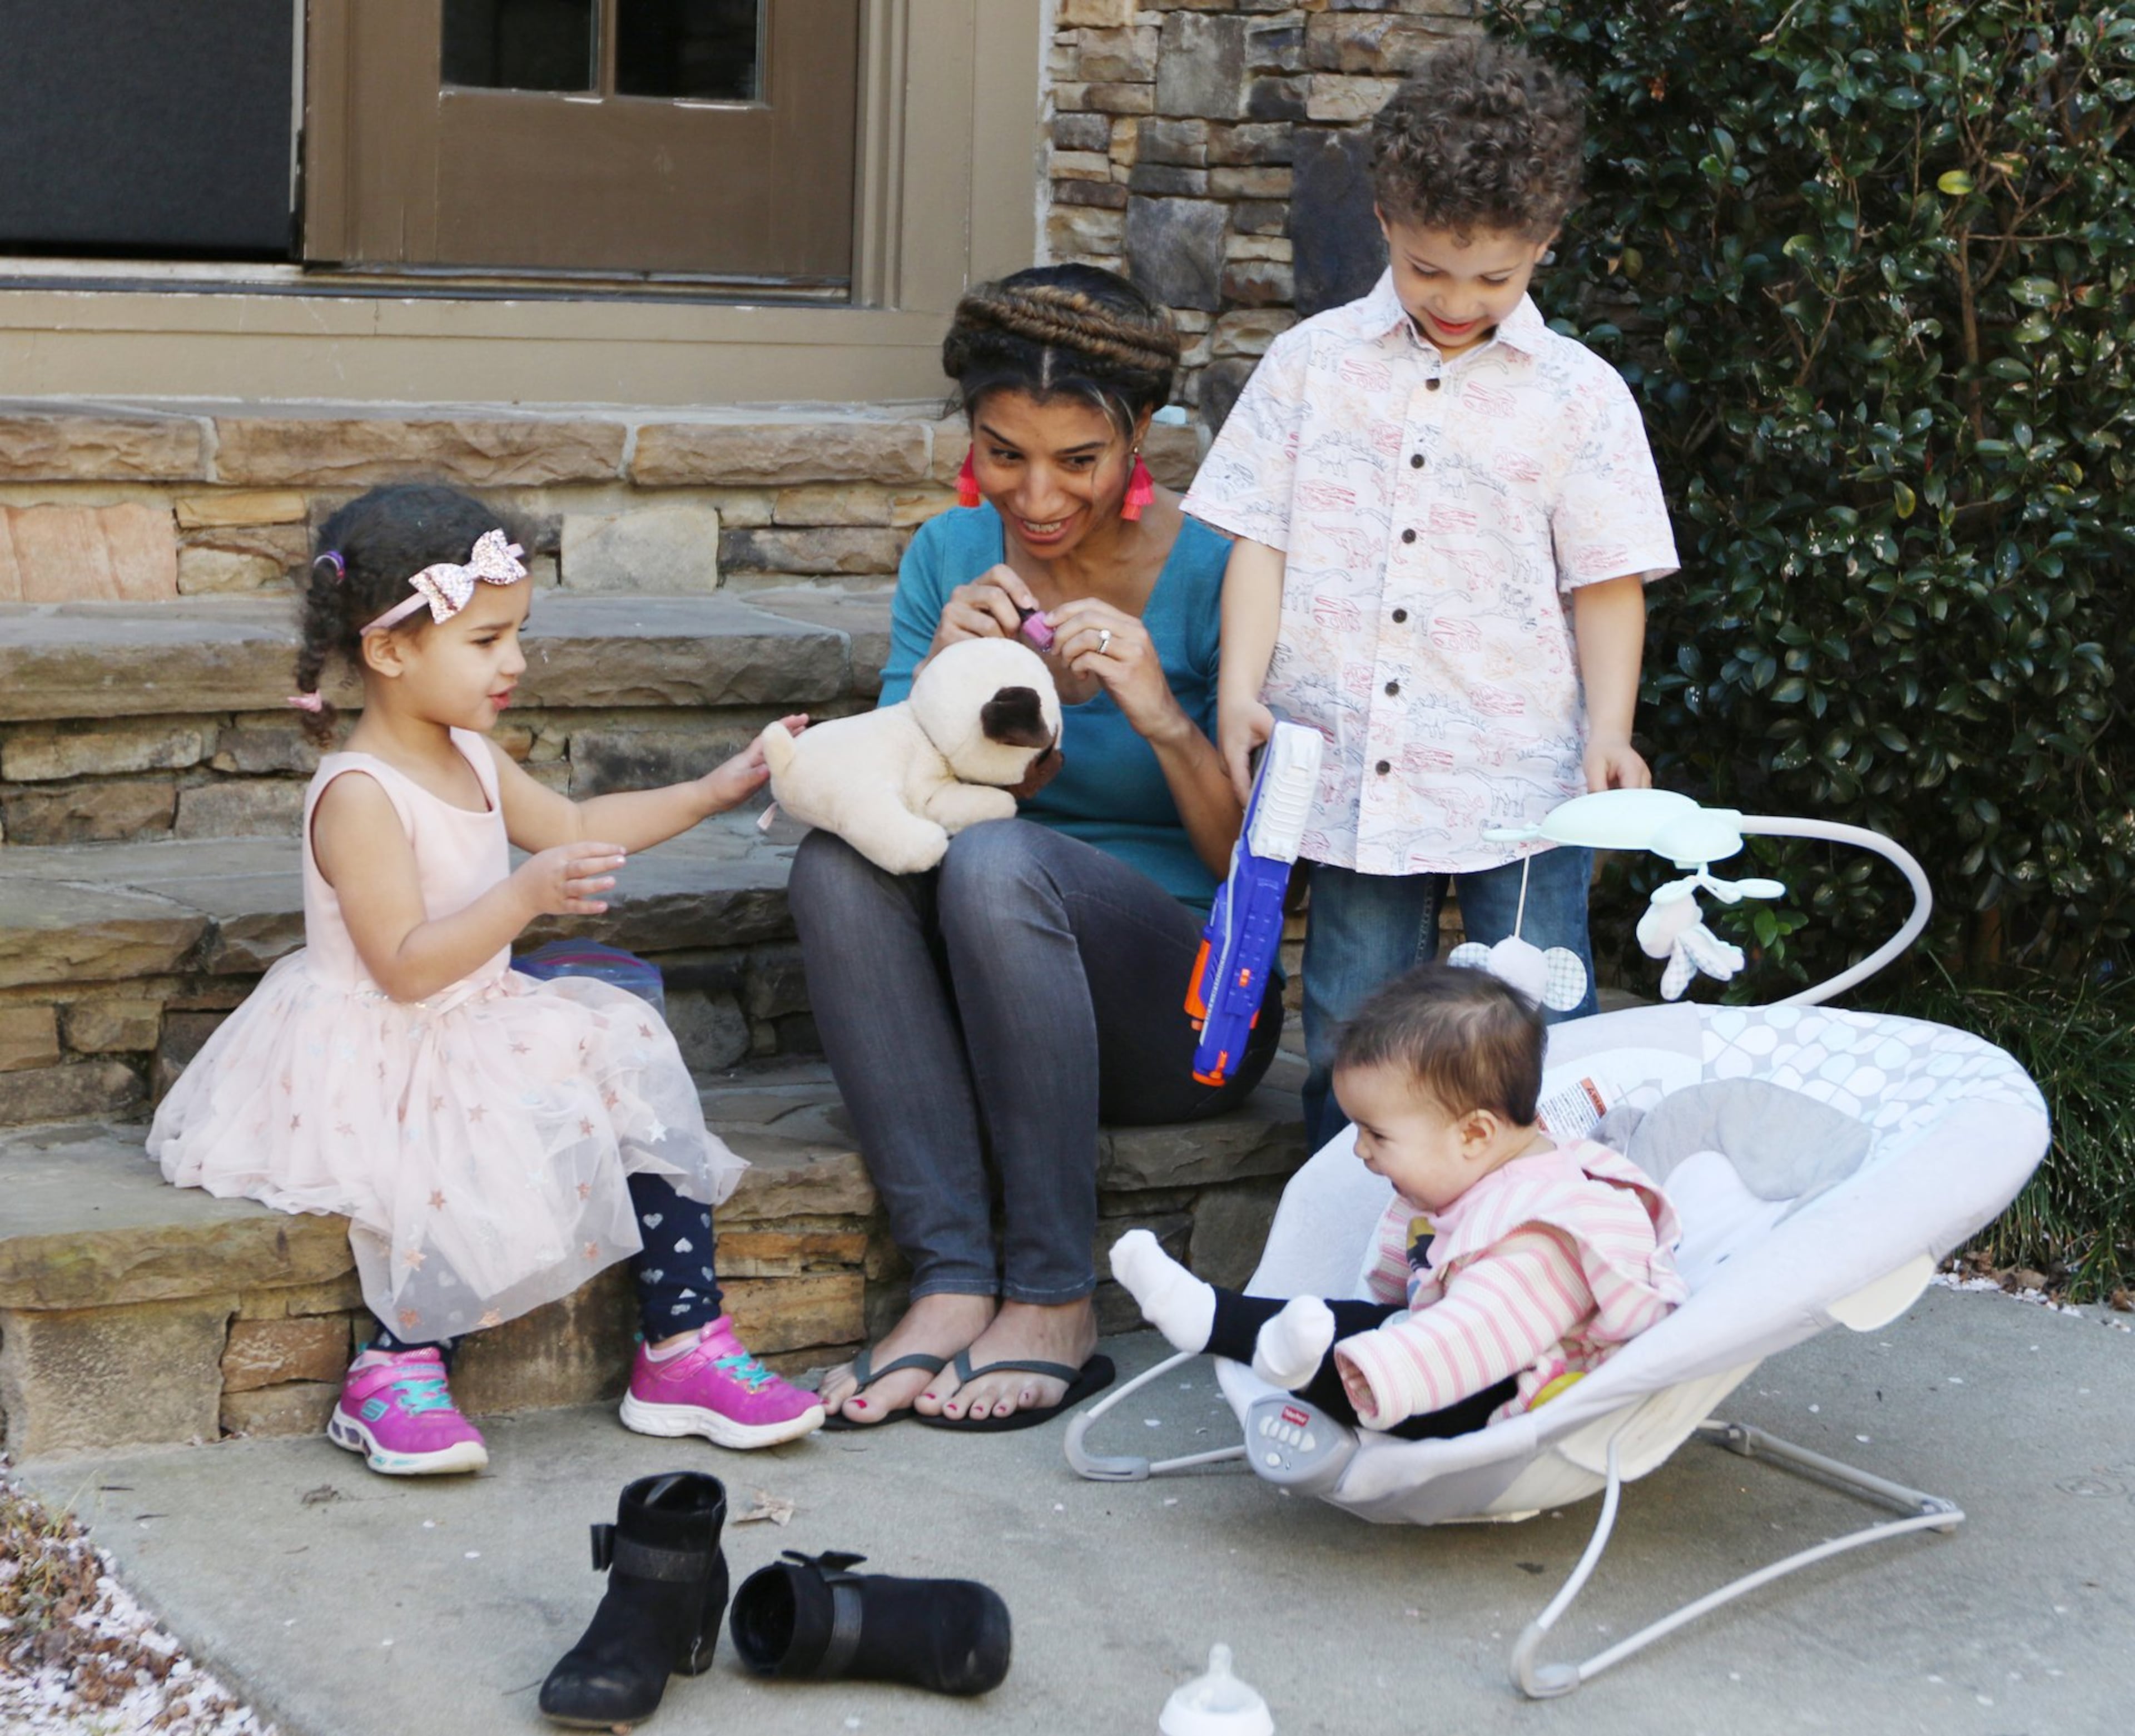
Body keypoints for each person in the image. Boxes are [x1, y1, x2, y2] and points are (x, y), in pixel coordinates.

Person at [147, 484, 823, 1475]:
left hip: (479, 1012)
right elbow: (407, 966)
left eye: (518, 635)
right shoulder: (361, 795)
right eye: (486, 640)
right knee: (465, 1142)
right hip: (386, 1039)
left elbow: (582, 827)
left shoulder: (468, 749)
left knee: (627, 1061)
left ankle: (681, 1346)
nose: (515, 662)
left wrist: (715, 790)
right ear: (390, 651)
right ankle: (398, 1367)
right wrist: (524, 899)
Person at [789, 264, 1284, 1431]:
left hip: (1187, 1013)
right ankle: (956, 1278)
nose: (1039, 494)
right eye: (1005, 452)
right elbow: (891, 805)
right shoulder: (948, 557)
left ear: (1139, 437)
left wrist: (1160, 709)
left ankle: (1056, 1293)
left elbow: (1251, 875)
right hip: (992, 989)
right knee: (833, 862)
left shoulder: (1222, 568)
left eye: (1077, 460)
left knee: (999, 860)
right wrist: (937, 701)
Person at [1184, 36, 1680, 1149]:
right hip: (1354, 764)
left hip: (1521, 780)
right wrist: (1241, 691)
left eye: (1494, 277)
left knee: (1536, 1018)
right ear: (1387, 224)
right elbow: (1260, 538)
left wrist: (1610, 731)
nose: (1457, 300)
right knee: (1356, 1012)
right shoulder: (1313, 364)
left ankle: (1551, 1234)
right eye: (1427, 270)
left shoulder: (1581, 399)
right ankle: (1348, 1234)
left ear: (1543, 245)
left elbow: (1607, 582)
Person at [1111, 962, 1685, 1439]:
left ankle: (1307, 1369)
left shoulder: (1540, 1233)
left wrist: (1345, 1366)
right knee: (1347, 1318)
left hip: (1513, 1385)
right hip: (1453, 1332)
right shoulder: (1480, 1170)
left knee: (1396, 1361)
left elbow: (1466, 1338)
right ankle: (1215, 1315)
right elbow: (1417, 1282)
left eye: (1377, 1134)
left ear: (1475, 1134)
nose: (1359, 1149)